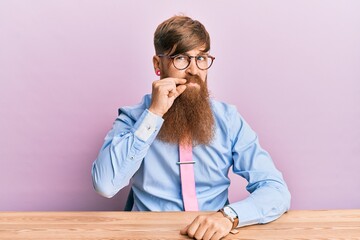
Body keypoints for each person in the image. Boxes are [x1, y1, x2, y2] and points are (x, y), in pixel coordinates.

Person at [92, 15, 291, 240]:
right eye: (181, 58)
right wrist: (154, 114)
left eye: (201, 58)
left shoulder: (228, 119)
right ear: (158, 64)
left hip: (215, 236)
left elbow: (276, 190)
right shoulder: (133, 118)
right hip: (150, 235)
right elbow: (105, 185)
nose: (194, 70)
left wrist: (228, 216)